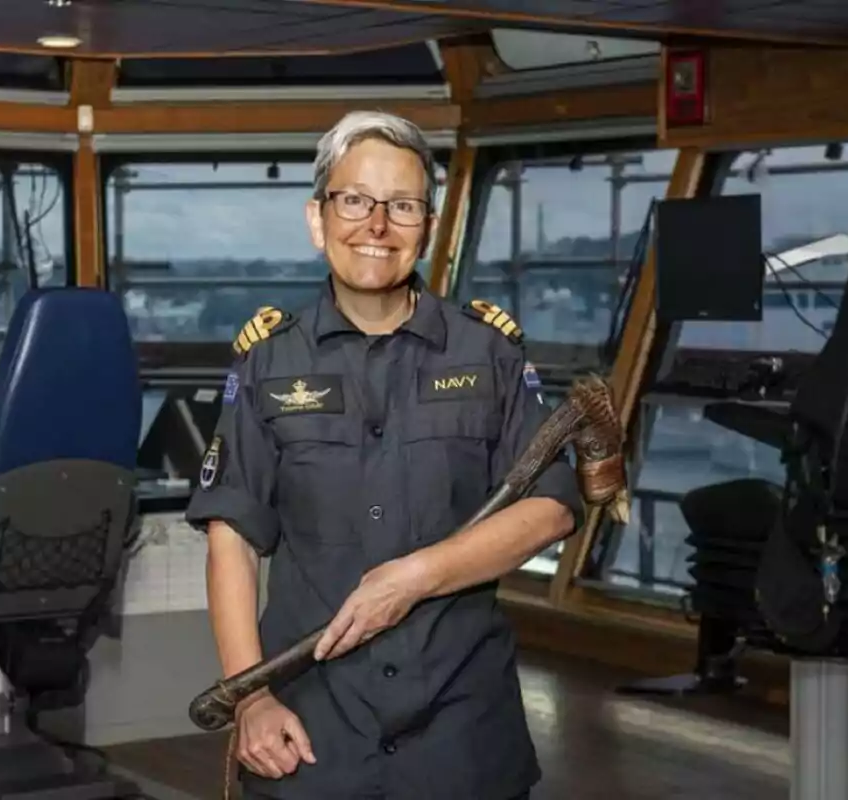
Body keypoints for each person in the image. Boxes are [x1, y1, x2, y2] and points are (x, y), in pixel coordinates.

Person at [185, 110, 583, 800]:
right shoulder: (267, 364)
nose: (376, 226)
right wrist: (249, 698)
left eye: (401, 206)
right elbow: (233, 541)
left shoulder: (487, 352)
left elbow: (550, 510)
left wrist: (416, 577)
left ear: (427, 227)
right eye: (354, 201)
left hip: (463, 733)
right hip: (312, 730)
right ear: (318, 219)